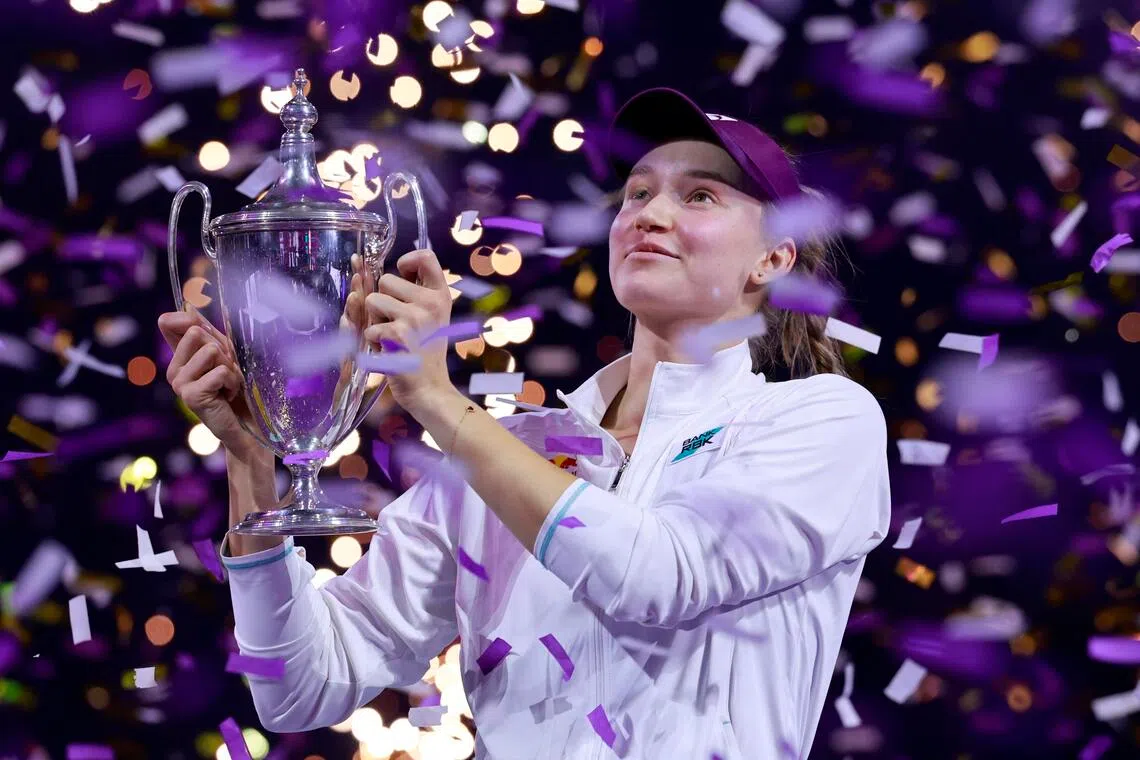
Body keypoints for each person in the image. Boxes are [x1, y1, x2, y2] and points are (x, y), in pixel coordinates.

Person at [157, 87, 891, 760]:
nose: (649, 215)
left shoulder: (820, 421)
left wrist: (440, 404)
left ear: (773, 257)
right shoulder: (508, 452)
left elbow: (656, 576)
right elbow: (296, 690)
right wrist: (251, 461)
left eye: (699, 196)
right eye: (638, 193)